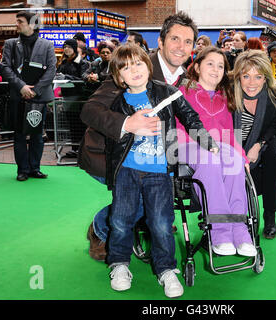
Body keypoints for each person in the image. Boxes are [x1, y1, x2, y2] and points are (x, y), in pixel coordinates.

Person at [80, 44, 218, 298]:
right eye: (126, 67)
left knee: (162, 223)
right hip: (126, 171)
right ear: (118, 77)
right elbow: (99, 122)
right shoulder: (116, 102)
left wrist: (207, 142)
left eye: (139, 64)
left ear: (148, 65)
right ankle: (119, 264)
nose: (134, 70)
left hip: (158, 172)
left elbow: (191, 118)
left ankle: (166, 269)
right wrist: (128, 126)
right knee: (121, 221)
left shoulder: (167, 92)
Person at [85, 11, 199, 261]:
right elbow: (89, 110)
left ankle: (152, 224)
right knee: (136, 204)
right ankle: (100, 229)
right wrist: (128, 122)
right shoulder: (134, 66)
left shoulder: (185, 79)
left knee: (162, 196)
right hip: (109, 153)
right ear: (160, 41)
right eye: (175, 39)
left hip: (156, 158)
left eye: (188, 41)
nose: (181, 47)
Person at [177, 46, 257, 256]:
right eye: (210, 64)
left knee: (235, 162)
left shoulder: (224, 96)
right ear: (197, 67)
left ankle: (239, 231)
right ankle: (219, 232)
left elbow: (230, 134)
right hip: (187, 144)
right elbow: (177, 126)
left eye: (220, 66)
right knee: (209, 160)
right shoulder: (183, 91)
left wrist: (241, 155)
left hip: (219, 147)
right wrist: (205, 145)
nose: (215, 69)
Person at [232, 50, 276, 239]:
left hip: (263, 139)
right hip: (234, 141)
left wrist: (258, 144)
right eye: (246, 76)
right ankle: (246, 217)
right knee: (245, 175)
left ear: (265, 78)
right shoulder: (229, 94)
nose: (251, 83)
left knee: (274, 162)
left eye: (258, 76)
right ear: (238, 75)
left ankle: (270, 217)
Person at [1, 11, 56, 181]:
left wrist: (35, 89)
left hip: (39, 96)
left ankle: (35, 168)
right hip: (18, 96)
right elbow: (5, 67)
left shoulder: (47, 45)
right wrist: (22, 87)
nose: (16, 24)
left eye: (20, 21)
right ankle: (22, 170)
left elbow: (52, 69)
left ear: (32, 24)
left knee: (37, 135)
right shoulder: (10, 43)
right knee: (19, 134)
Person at [56, 39, 90, 158]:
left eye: (69, 47)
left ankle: (81, 148)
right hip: (66, 95)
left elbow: (83, 79)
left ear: (75, 48)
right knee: (71, 123)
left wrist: (66, 77)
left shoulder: (82, 63)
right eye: (65, 47)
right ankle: (75, 148)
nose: (66, 49)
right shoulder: (63, 63)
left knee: (79, 123)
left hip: (78, 97)